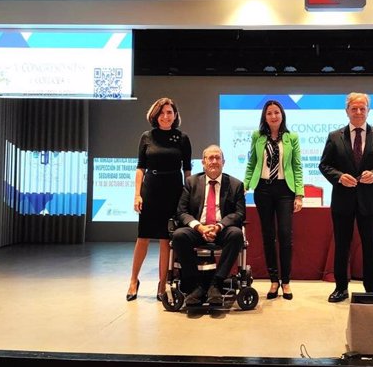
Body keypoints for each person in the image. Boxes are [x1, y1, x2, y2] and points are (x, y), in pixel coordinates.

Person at [319, 92, 373, 303]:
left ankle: (370, 291)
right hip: (342, 201)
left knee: (371, 247)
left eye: (362, 108)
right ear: (347, 111)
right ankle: (340, 288)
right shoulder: (334, 136)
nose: (358, 112)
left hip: (369, 201)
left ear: (368, 111)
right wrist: (339, 177)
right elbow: (324, 165)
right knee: (341, 246)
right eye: (354, 108)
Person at [126, 98, 192, 302]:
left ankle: (162, 284)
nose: (166, 116)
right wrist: (137, 194)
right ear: (155, 115)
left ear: (175, 115)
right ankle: (133, 280)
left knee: (166, 239)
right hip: (151, 190)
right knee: (143, 238)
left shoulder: (182, 138)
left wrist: (188, 196)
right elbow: (140, 168)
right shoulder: (147, 137)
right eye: (162, 113)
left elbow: (187, 170)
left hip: (173, 190)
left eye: (169, 112)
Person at [244, 100, 304, 300]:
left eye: (276, 112)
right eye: (269, 113)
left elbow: (297, 166)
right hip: (263, 189)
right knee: (268, 235)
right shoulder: (257, 136)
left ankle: (286, 281)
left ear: (282, 115)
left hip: (285, 190)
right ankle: (273, 281)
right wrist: (244, 185)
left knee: (285, 235)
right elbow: (252, 162)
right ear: (264, 116)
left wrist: (299, 194)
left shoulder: (291, 137)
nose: (273, 116)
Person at [172, 145, 246, 306]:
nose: (214, 161)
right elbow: (182, 212)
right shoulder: (191, 182)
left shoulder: (236, 185)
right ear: (203, 163)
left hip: (222, 229)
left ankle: (217, 283)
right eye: (210, 158)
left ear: (223, 162)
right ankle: (195, 285)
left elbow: (239, 214)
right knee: (178, 236)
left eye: (217, 158)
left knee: (236, 234)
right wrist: (199, 227)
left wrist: (219, 226)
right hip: (198, 229)